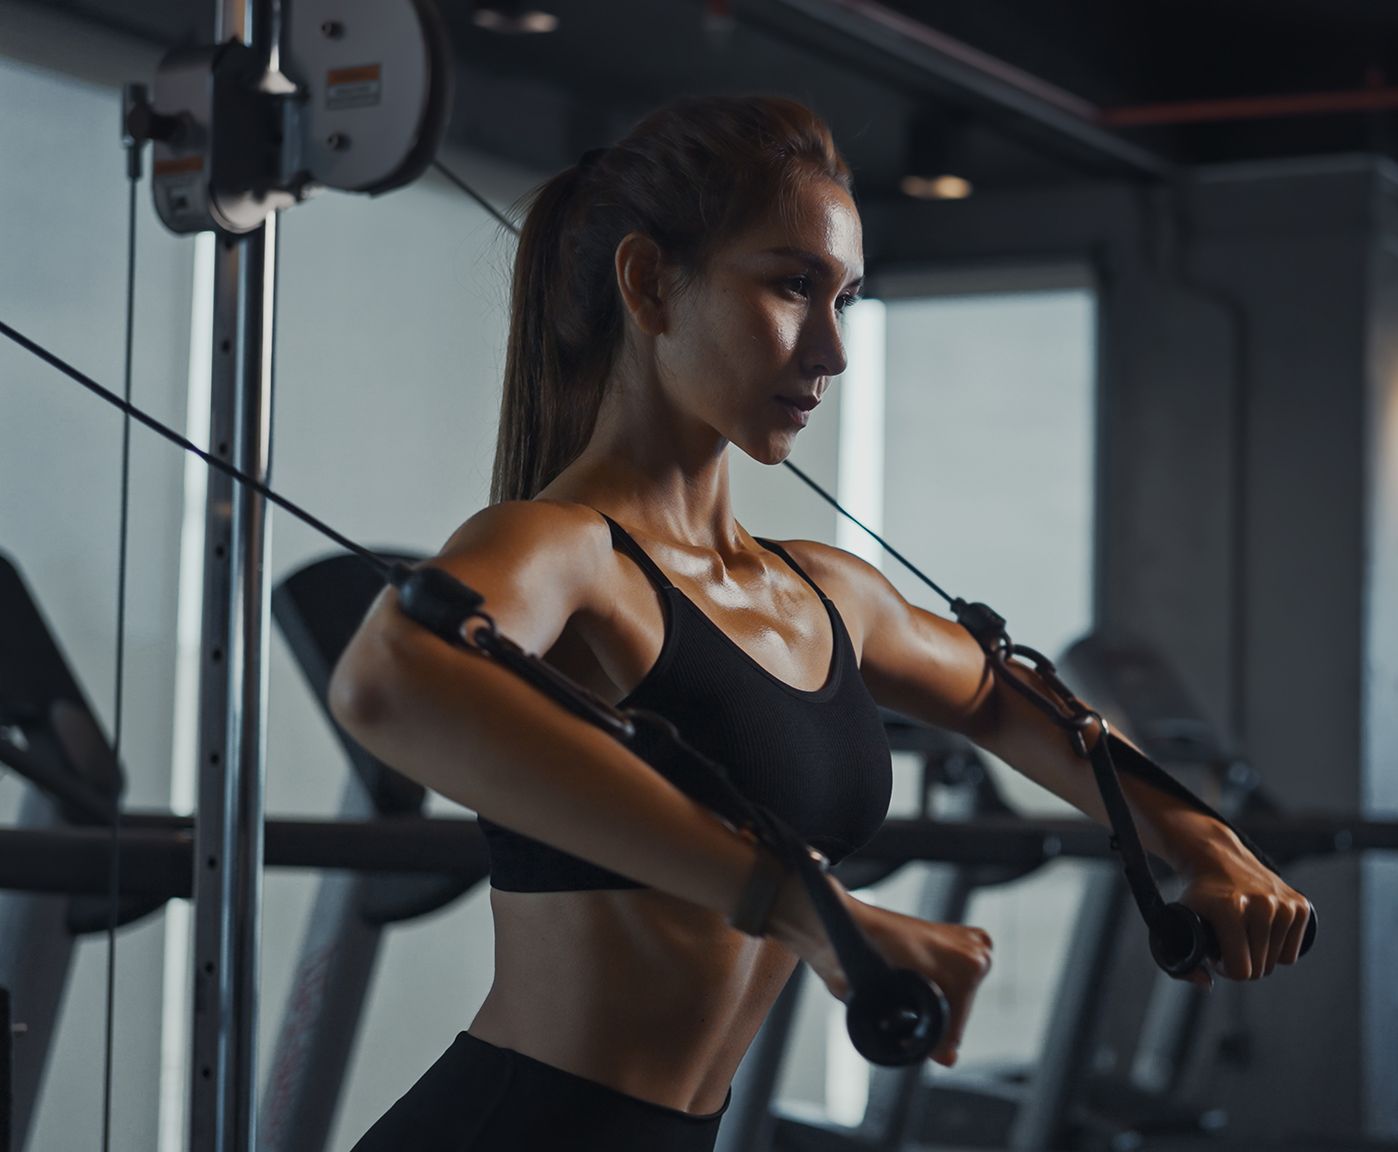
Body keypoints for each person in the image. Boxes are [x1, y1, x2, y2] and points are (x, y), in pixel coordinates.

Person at [330, 93, 1312, 1152]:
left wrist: (1201, 842)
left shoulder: (826, 593)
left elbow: (996, 695)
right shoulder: (562, 552)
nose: (833, 350)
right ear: (650, 283)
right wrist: (800, 905)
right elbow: (390, 679)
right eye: (794, 286)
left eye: (846, 296)